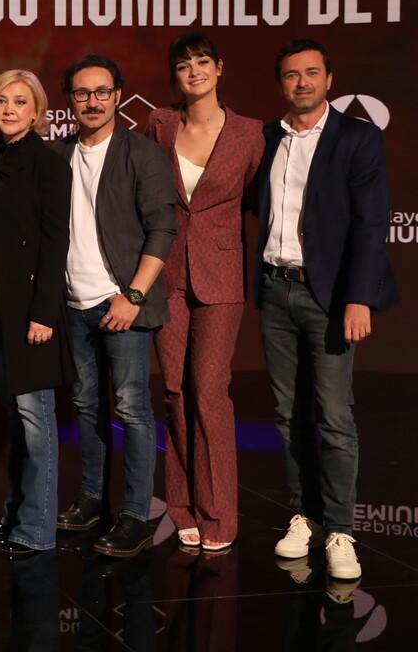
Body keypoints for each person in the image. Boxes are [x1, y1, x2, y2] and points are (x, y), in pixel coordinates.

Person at [257, 39, 396, 580]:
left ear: (329, 80)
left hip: (332, 297)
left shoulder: (356, 137)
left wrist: (359, 296)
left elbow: (371, 222)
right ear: (281, 83)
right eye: (292, 74)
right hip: (275, 290)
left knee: (334, 417)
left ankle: (340, 529)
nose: (302, 82)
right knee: (287, 414)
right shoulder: (268, 137)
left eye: (311, 72)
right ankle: (305, 516)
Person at [53, 54, 177, 558]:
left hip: (123, 303)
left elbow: (163, 229)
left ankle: (135, 516)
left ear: (118, 96)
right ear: (70, 100)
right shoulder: (58, 155)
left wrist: (134, 297)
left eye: (102, 92)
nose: (93, 101)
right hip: (73, 304)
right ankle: (92, 500)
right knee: (86, 404)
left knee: (132, 410)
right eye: (83, 93)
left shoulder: (141, 154)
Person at [144, 33, 264, 553]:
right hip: (166, 274)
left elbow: (262, 200)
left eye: (201, 62)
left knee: (209, 390)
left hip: (221, 274)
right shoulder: (159, 124)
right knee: (174, 390)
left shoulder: (250, 134)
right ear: (175, 75)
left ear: (219, 68)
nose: (193, 71)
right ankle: (181, 505)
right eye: (183, 65)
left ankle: (218, 514)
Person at [0, 70, 74, 559]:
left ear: (37, 113)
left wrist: (44, 313)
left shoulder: (49, 165)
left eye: (20, 102)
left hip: (32, 310)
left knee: (36, 416)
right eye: (1, 101)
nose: (9, 109)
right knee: (16, 413)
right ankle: (16, 512)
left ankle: (39, 526)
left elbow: (55, 244)